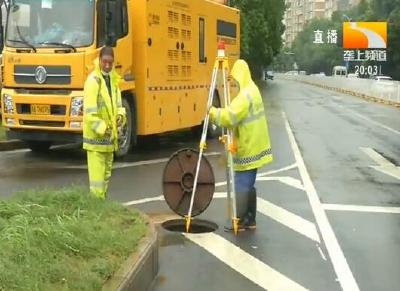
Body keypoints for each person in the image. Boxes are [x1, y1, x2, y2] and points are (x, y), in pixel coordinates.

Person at [209, 59, 273, 230]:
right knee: (248, 184)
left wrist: (212, 112)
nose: (232, 84)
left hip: (248, 146)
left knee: (242, 185)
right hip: (255, 145)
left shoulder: (245, 95)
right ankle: (250, 219)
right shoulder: (253, 89)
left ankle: (241, 220)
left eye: (233, 81)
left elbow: (230, 116)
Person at [83, 46, 126, 199]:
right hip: (96, 143)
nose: (107, 65)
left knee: (104, 181)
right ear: (99, 60)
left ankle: (101, 210)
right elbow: (89, 114)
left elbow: (119, 106)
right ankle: (96, 212)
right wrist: (104, 128)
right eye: (105, 62)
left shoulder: (113, 80)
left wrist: (120, 118)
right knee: (97, 184)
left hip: (108, 142)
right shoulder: (93, 82)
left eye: (110, 62)